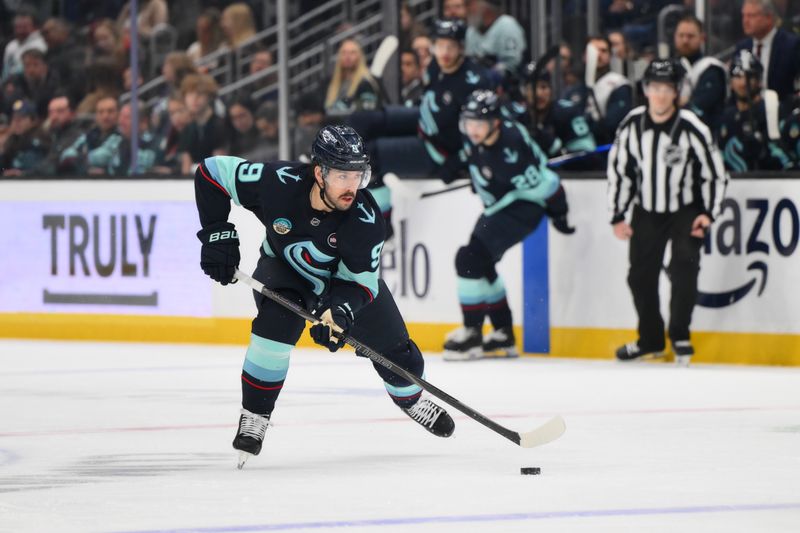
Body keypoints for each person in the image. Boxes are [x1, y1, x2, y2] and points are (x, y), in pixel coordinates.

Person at [193, 124, 455, 466]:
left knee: (401, 358)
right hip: (285, 270)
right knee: (275, 328)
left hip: (342, 285)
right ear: (319, 172)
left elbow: (361, 283)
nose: (352, 186)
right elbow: (211, 173)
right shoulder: (277, 181)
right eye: (343, 176)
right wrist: (217, 234)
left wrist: (340, 312)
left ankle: (410, 398)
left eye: (358, 175)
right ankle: (255, 414)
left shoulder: (366, 219)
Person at [607, 59, 729, 367]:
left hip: (685, 209)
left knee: (684, 268)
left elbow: (715, 174)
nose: (660, 96)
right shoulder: (632, 125)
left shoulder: (691, 127)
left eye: (667, 89)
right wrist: (617, 214)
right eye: (654, 88)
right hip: (646, 209)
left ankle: (679, 335)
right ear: (646, 90)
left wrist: (709, 213)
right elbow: (620, 172)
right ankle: (650, 339)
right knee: (639, 276)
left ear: (677, 92)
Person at [442, 90, 571, 361]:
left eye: (479, 124)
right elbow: (476, 157)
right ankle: (502, 334)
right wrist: (453, 166)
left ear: (496, 123)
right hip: (502, 206)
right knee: (481, 263)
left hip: (523, 208)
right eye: (469, 123)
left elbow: (548, 183)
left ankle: (472, 334)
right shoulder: (484, 136)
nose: (473, 130)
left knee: (469, 259)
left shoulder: (511, 149)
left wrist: (560, 212)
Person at [717, 50, 800, 171]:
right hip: (733, 185)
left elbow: (788, 158)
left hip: (770, 183)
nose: (743, 82)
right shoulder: (726, 117)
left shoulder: (773, 111)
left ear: (759, 80)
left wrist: (764, 152)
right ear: (731, 82)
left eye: (750, 77)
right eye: (738, 76)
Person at [564, 36, 633, 145]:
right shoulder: (574, 90)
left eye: (603, 51)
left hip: (606, 149)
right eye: (593, 50)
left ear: (610, 56)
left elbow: (613, 124)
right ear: (584, 56)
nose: (598, 54)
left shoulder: (618, 84)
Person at [736, 0, 800, 102]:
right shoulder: (742, 47)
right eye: (743, 15)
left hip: (782, 110)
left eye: (751, 16)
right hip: (749, 111)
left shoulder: (791, 45)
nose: (745, 21)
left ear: (769, 18)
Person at [673, 15, 727, 131]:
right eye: (681, 35)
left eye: (690, 36)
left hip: (706, 135)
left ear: (702, 38)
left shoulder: (711, 69)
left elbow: (700, 108)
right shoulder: (671, 66)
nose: (685, 40)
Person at [324, 38, 381, 116]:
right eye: (344, 53)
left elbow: (367, 114)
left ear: (359, 56)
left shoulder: (365, 83)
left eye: (352, 53)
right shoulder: (331, 82)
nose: (347, 56)